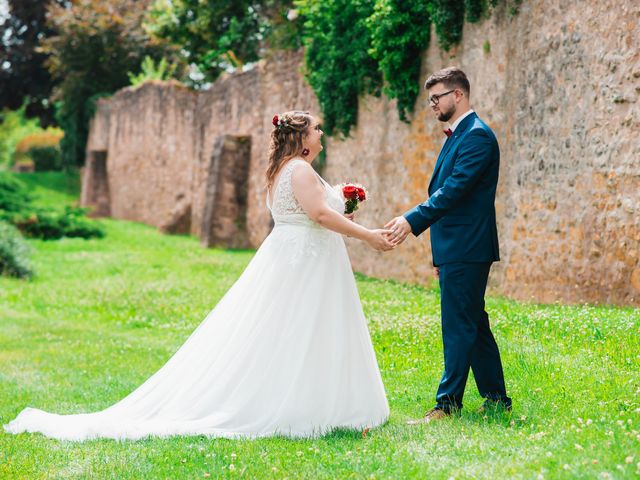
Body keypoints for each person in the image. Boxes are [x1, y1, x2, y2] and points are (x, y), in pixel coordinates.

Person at [4, 110, 392, 440]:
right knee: (299, 327)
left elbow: (313, 215)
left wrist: (345, 216)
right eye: (317, 129)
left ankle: (311, 398)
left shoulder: (283, 171)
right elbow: (321, 216)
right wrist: (369, 237)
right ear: (303, 138)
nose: (321, 134)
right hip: (303, 262)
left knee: (295, 329)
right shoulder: (301, 171)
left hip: (297, 255)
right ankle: (295, 404)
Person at [385, 67, 512, 423]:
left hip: (468, 246)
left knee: (458, 323)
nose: (432, 105)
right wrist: (439, 250)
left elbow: (454, 191)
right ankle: (497, 399)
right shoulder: (459, 135)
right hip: (456, 246)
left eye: (437, 97)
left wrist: (411, 220)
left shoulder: (477, 136)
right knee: (473, 322)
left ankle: (447, 405)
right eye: (430, 99)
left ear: (458, 95)